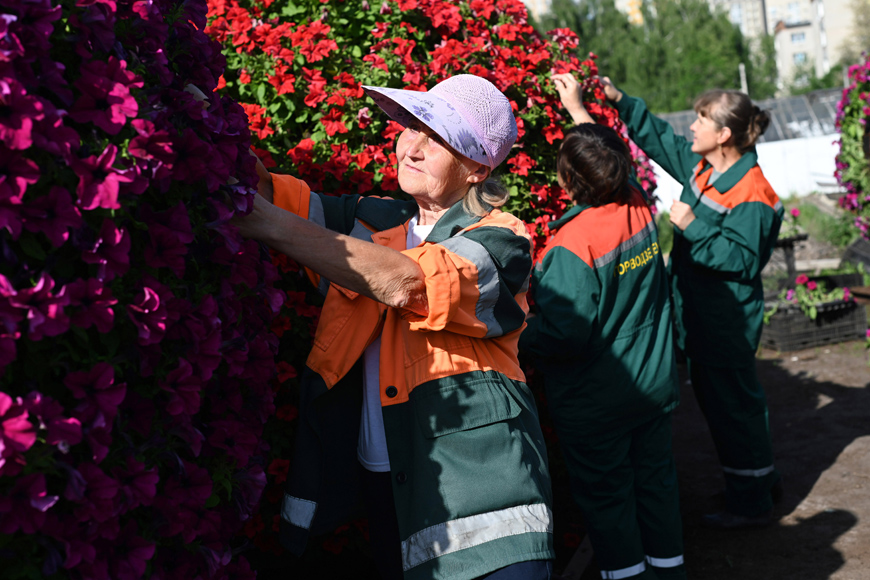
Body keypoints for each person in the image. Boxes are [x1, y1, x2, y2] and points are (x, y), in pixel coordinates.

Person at [234, 74, 555, 580]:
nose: (414, 146)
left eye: (438, 138)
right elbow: (264, 190)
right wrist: (193, 106)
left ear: (476, 168)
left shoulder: (501, 238)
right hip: (391, 492)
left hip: (486, 512)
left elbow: (409, 283)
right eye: (411, 127)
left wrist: (266, 224)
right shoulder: (370, 221)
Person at [518, 73, 686, 580]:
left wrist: (519, 331)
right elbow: (609, 160)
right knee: (657, 487)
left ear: (567, 183)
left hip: (599, 404)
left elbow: (566, 334)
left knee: (609, 502)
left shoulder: (571, 247)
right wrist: (577, 108)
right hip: (652, 387)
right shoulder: (636, 202)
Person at [601, 77, 783, 528]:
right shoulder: (705, 168)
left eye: (702, 119)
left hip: (727, 323)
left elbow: (742, 260)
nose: (693, 126)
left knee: (733, 412)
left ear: (724, 135)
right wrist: (621, 101)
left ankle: (752, 502)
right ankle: (760, 483)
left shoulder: (752, 193)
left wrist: (691, 226)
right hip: (703, 317)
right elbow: (662, 140)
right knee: (729, 408)